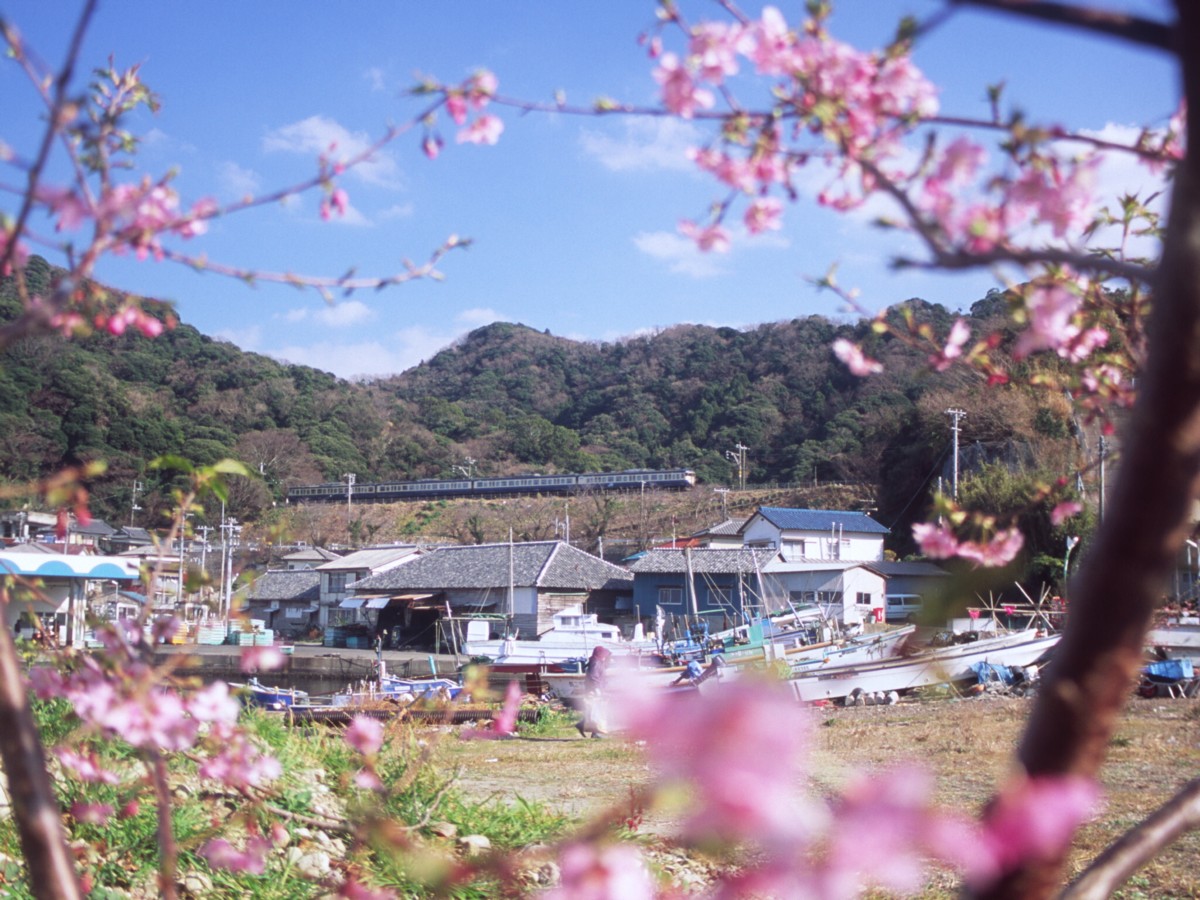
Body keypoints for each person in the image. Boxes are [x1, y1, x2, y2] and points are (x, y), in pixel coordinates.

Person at [576, 645, 611, 738]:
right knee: (597, 710)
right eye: (604, 654)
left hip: (596, 689)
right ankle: (596, 733)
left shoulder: (598, 661)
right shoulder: (595, 662)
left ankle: (582, 724)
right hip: (594, 689)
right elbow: (593, 676)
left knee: (593, 710)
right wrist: (597, 689)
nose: (605, 656)